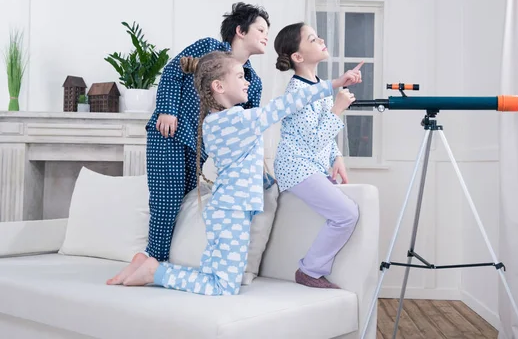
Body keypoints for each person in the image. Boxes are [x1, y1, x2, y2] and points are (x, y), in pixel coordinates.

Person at [117, 50, 361, 295]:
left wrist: (268, 182)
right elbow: (284, 105)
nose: (247, 82)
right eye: (240, 76)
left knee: (213, 276)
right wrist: (333, 85)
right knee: (224, 286)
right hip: (232, 212)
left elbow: (244, 161)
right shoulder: (236, 122)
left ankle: (151, 266)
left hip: (227, 209)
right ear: (219, 86)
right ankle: (154, 272)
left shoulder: (218, 121)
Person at [107, 2, 270, 285]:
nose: (266, 36)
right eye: (261, 29)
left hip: (198, 151)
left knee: (176, 204)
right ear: (240, 31)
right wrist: (168, 110)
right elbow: (172, 73)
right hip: (168, 133)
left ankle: (146, 261)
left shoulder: (252, 82)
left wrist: (259, 169)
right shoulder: (209, 48)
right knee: (166, 202)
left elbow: (249, 127)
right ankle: (154, 264)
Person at [273, 22, 364, 289]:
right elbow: (313, 141)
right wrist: (338, 107)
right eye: (312, 39)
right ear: (297, 57)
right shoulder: (296, 93)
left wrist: (337, 157)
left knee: (347, 209)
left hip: (312, 165)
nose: (321, 39)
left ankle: (314, 269)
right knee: (347, 214)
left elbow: (321, 135)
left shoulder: (319, 85)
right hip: (296, 167)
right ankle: (310, 270)